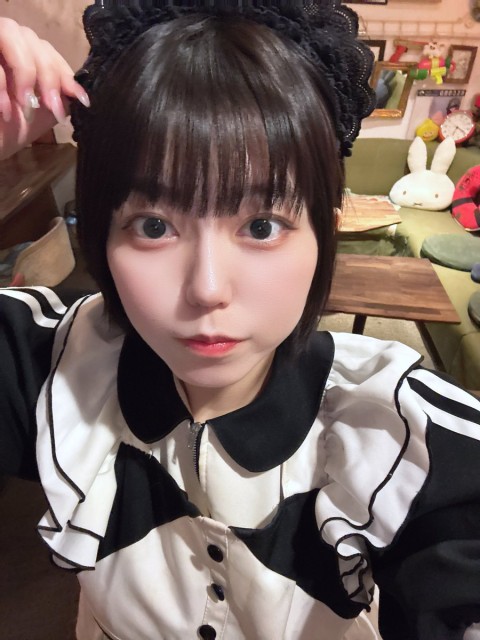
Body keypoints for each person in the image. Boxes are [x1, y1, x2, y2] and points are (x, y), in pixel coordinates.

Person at [1, 2, 480, 639]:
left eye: (261, 226)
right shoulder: (54, 370)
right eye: (154, 226)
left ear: (325, 234)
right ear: (100, 236)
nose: (207, 289)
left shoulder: (395, 429)